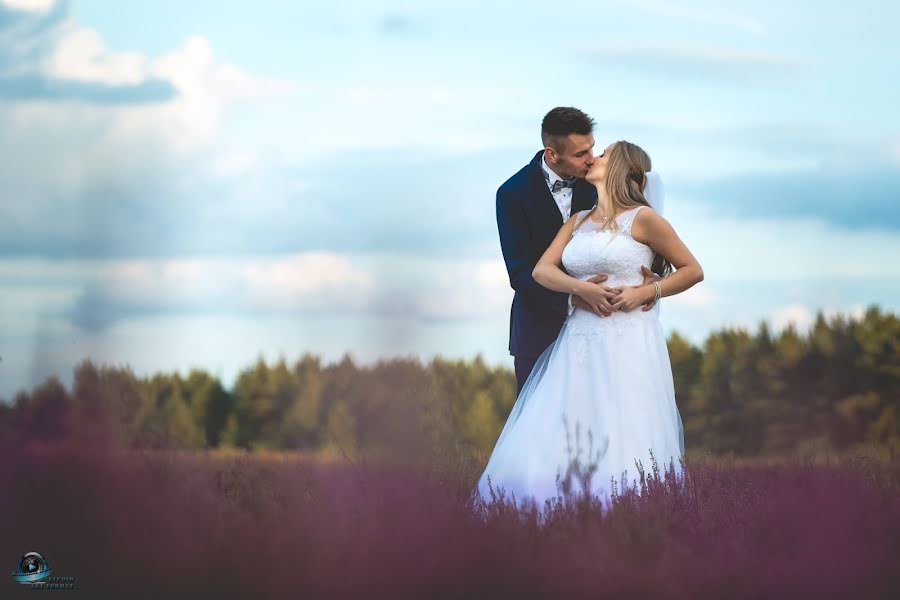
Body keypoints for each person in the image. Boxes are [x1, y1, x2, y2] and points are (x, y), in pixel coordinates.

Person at [477, 140, 704, 516]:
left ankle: (625, 515)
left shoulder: (644, 219)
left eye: (604, 154)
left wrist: (647, 291)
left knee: (623, 422)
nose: (594, 158)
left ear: (622, 169)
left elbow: (692, 270)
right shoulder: (578, 220)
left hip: (627, 336)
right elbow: (541, 271)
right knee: (565, 421)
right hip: (578, 337)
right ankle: (551, 512)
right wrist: (580, 289)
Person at [496, 107, 660, 395]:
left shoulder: (600, 179)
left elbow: (635, 229)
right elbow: (520, 272)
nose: (591, 159)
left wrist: (649, 277)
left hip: (604, 328)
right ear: (552, 154)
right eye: (580, 154)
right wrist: (575, 297)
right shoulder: (512, 194)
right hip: (538, 332)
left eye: (593, 149)